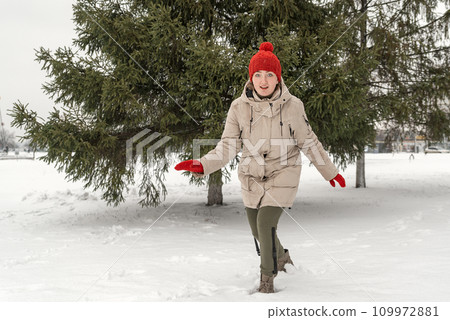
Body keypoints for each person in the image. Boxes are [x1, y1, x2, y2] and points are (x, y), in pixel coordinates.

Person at [175, 42, 346, 293]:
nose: (263, 80)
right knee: (257, 228)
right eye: (257, 74)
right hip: (252, 175)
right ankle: (282, 256)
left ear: (278, 78)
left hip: (283, 171)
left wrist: (330, 172)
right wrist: (203, 164)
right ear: (250, 78)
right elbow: (228, 146)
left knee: (265, 223)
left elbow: (308, 141)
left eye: (269, 75)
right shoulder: (238, 107)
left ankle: (267, 281)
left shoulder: (293, 106)